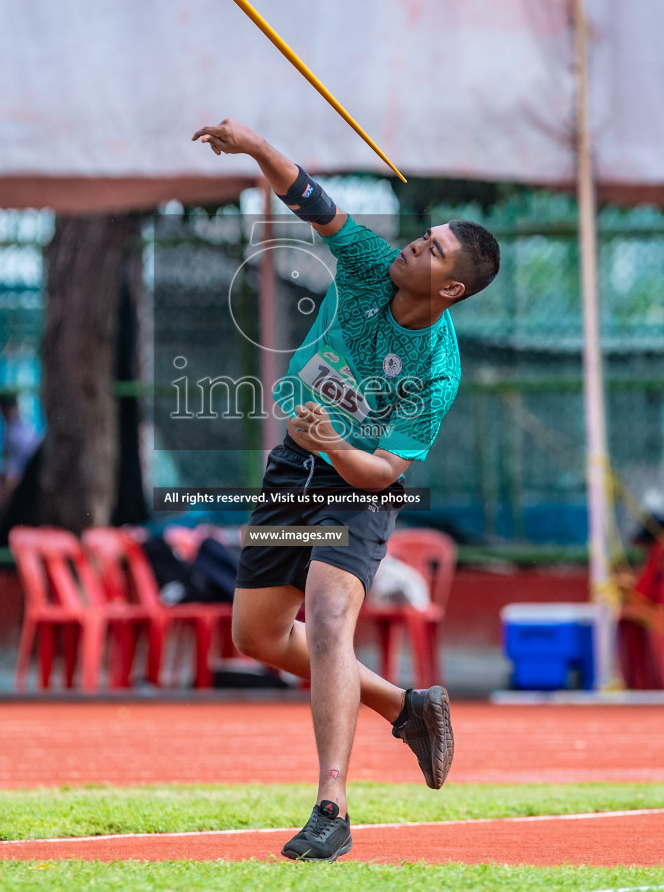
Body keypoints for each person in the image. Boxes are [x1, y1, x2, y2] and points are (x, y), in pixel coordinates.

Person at [192, 119, 500, 861]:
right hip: (289, 473)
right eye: (420, 236)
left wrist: (336, 442)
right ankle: (406, 706)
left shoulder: (436, 370)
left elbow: (384, 472)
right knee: (257, 636)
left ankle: (331, 807)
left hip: (354, 488)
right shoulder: (369, 264)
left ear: (450, 287)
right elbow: (309, 196)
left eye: (430, 250)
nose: (412, 246)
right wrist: (254, 143)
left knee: (330, 618)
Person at [0, 393, 42, 517]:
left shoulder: (18, 434)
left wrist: (6, 494)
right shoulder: (12, 429)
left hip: (23, 486)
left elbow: (15, 473)